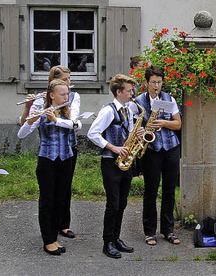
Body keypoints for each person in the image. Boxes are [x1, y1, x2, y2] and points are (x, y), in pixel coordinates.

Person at [17, 79, 77, 256]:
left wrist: (57, 119)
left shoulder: (68, 110)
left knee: (60, 199)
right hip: (47, 160)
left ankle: (54, 235)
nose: (66, 96)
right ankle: (48, 240)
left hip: (66, 159)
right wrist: (31, 116)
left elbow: (76, 125)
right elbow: (21, 134)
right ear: (52, 95)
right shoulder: (40, 110)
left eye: (67, 93)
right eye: (62, 94)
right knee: (47, 200)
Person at [87, 74, 136, 258]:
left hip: (126, 161)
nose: (132, 94)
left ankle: (116, 238)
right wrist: (113, 147)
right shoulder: (108, 111)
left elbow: (129, 132)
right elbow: (93, 133)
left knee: (122, 203)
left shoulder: (129, 110)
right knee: (113, 204)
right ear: (119, 92)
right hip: (110, 161)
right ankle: (107, 241)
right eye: (129, 91)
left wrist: (136, 132)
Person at [134, 66, 182, 246]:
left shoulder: (169, 99)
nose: (156, 86)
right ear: (147, 83)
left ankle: (168, 230)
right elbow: (132, 125)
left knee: (169, 191)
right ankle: (149, 232)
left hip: (170, 147)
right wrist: (141, 130)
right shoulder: (138, 101)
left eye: (159, 82)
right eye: (153, 82)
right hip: (151, 149)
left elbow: (178, 124)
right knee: (151, 191)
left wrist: (164, 122)